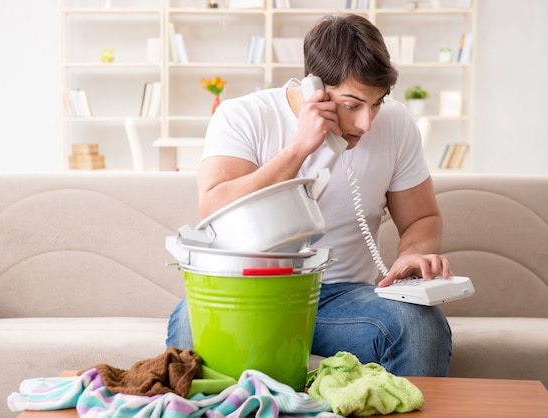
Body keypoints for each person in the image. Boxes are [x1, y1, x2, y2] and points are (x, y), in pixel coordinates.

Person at [167, 14, 453, 377]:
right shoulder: (242, 116)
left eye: (377, 102)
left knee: (420, 325)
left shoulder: (396, 124)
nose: (366, 122)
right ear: (313, 87)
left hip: (344, 300)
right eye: (352, 105)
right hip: (250, 291)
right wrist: (299, 148)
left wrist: (412, 256)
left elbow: (422, 219)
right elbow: (214, 206)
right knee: (189, 327)